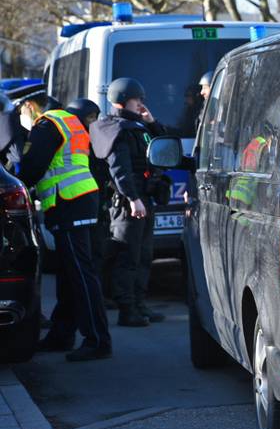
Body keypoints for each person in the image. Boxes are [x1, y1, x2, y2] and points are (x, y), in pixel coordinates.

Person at [13, 86, 111, 362]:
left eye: (20, 112)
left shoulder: (47, 124)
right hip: (77, 200)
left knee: (80, 272)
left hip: (69, 202)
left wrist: (16, 182)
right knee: (69, 273)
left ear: (29, 106)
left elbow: (33, 167)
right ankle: (62, 334)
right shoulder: (66, 120)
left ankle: (98, 340)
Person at [90, 77, 167, 327]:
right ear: (123, 100)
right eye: (136, 100)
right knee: (128, 256)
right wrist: (133, 199)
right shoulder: (116, 129)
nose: (141, 104)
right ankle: (127, 310)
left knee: (144, 255)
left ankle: (139, 304)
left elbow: (162, 146)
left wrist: (151, 122)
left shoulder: (136, 126)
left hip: (143, 198)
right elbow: (119, 170)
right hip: (128, 202)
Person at [66, 99, 112, 284]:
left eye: (96, 117)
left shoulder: (97, 139)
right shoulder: (71, 142)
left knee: (99, 251)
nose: (94, 122)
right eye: (90, 117)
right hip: (78, 206)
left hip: (98, 203)